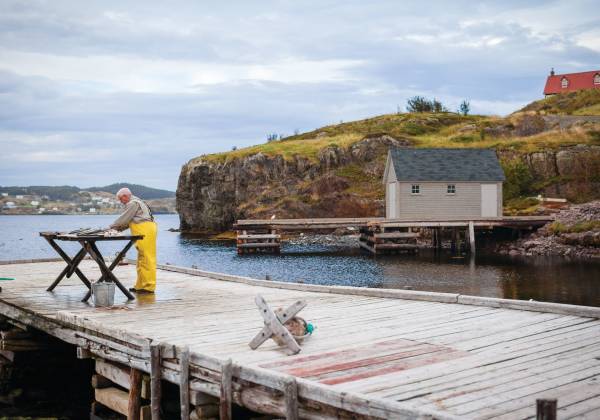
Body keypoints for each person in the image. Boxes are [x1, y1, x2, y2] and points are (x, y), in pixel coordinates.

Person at [109, 188, 157, 293]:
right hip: (143, 229)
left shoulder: (132, 203)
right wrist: (117, 228)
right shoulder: (136, 202)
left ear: (125, 196)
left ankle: (149, 286)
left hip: (145, 229)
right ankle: (140, 286)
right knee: (141, 259)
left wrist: (111, 227)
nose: (121, 202)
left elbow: (124, 219)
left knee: (147, 258)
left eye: (121, 199)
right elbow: (128, 222)